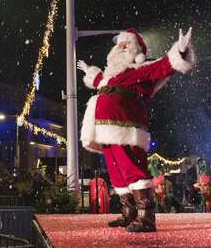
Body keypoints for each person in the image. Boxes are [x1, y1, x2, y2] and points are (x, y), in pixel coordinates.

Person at [78, 27, 195, 232]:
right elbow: (97, 81)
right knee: (116, 172)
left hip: (126, 127)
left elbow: (166, 65)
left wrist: (181, 50)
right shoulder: (112, 77)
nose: (121, 46)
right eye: (119, 44)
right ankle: (129, 213)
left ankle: (146, 217)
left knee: (132, 168)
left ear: (137, 51)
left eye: (126, 43)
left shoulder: (141, 71)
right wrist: (89, 70)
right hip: (104, 129)